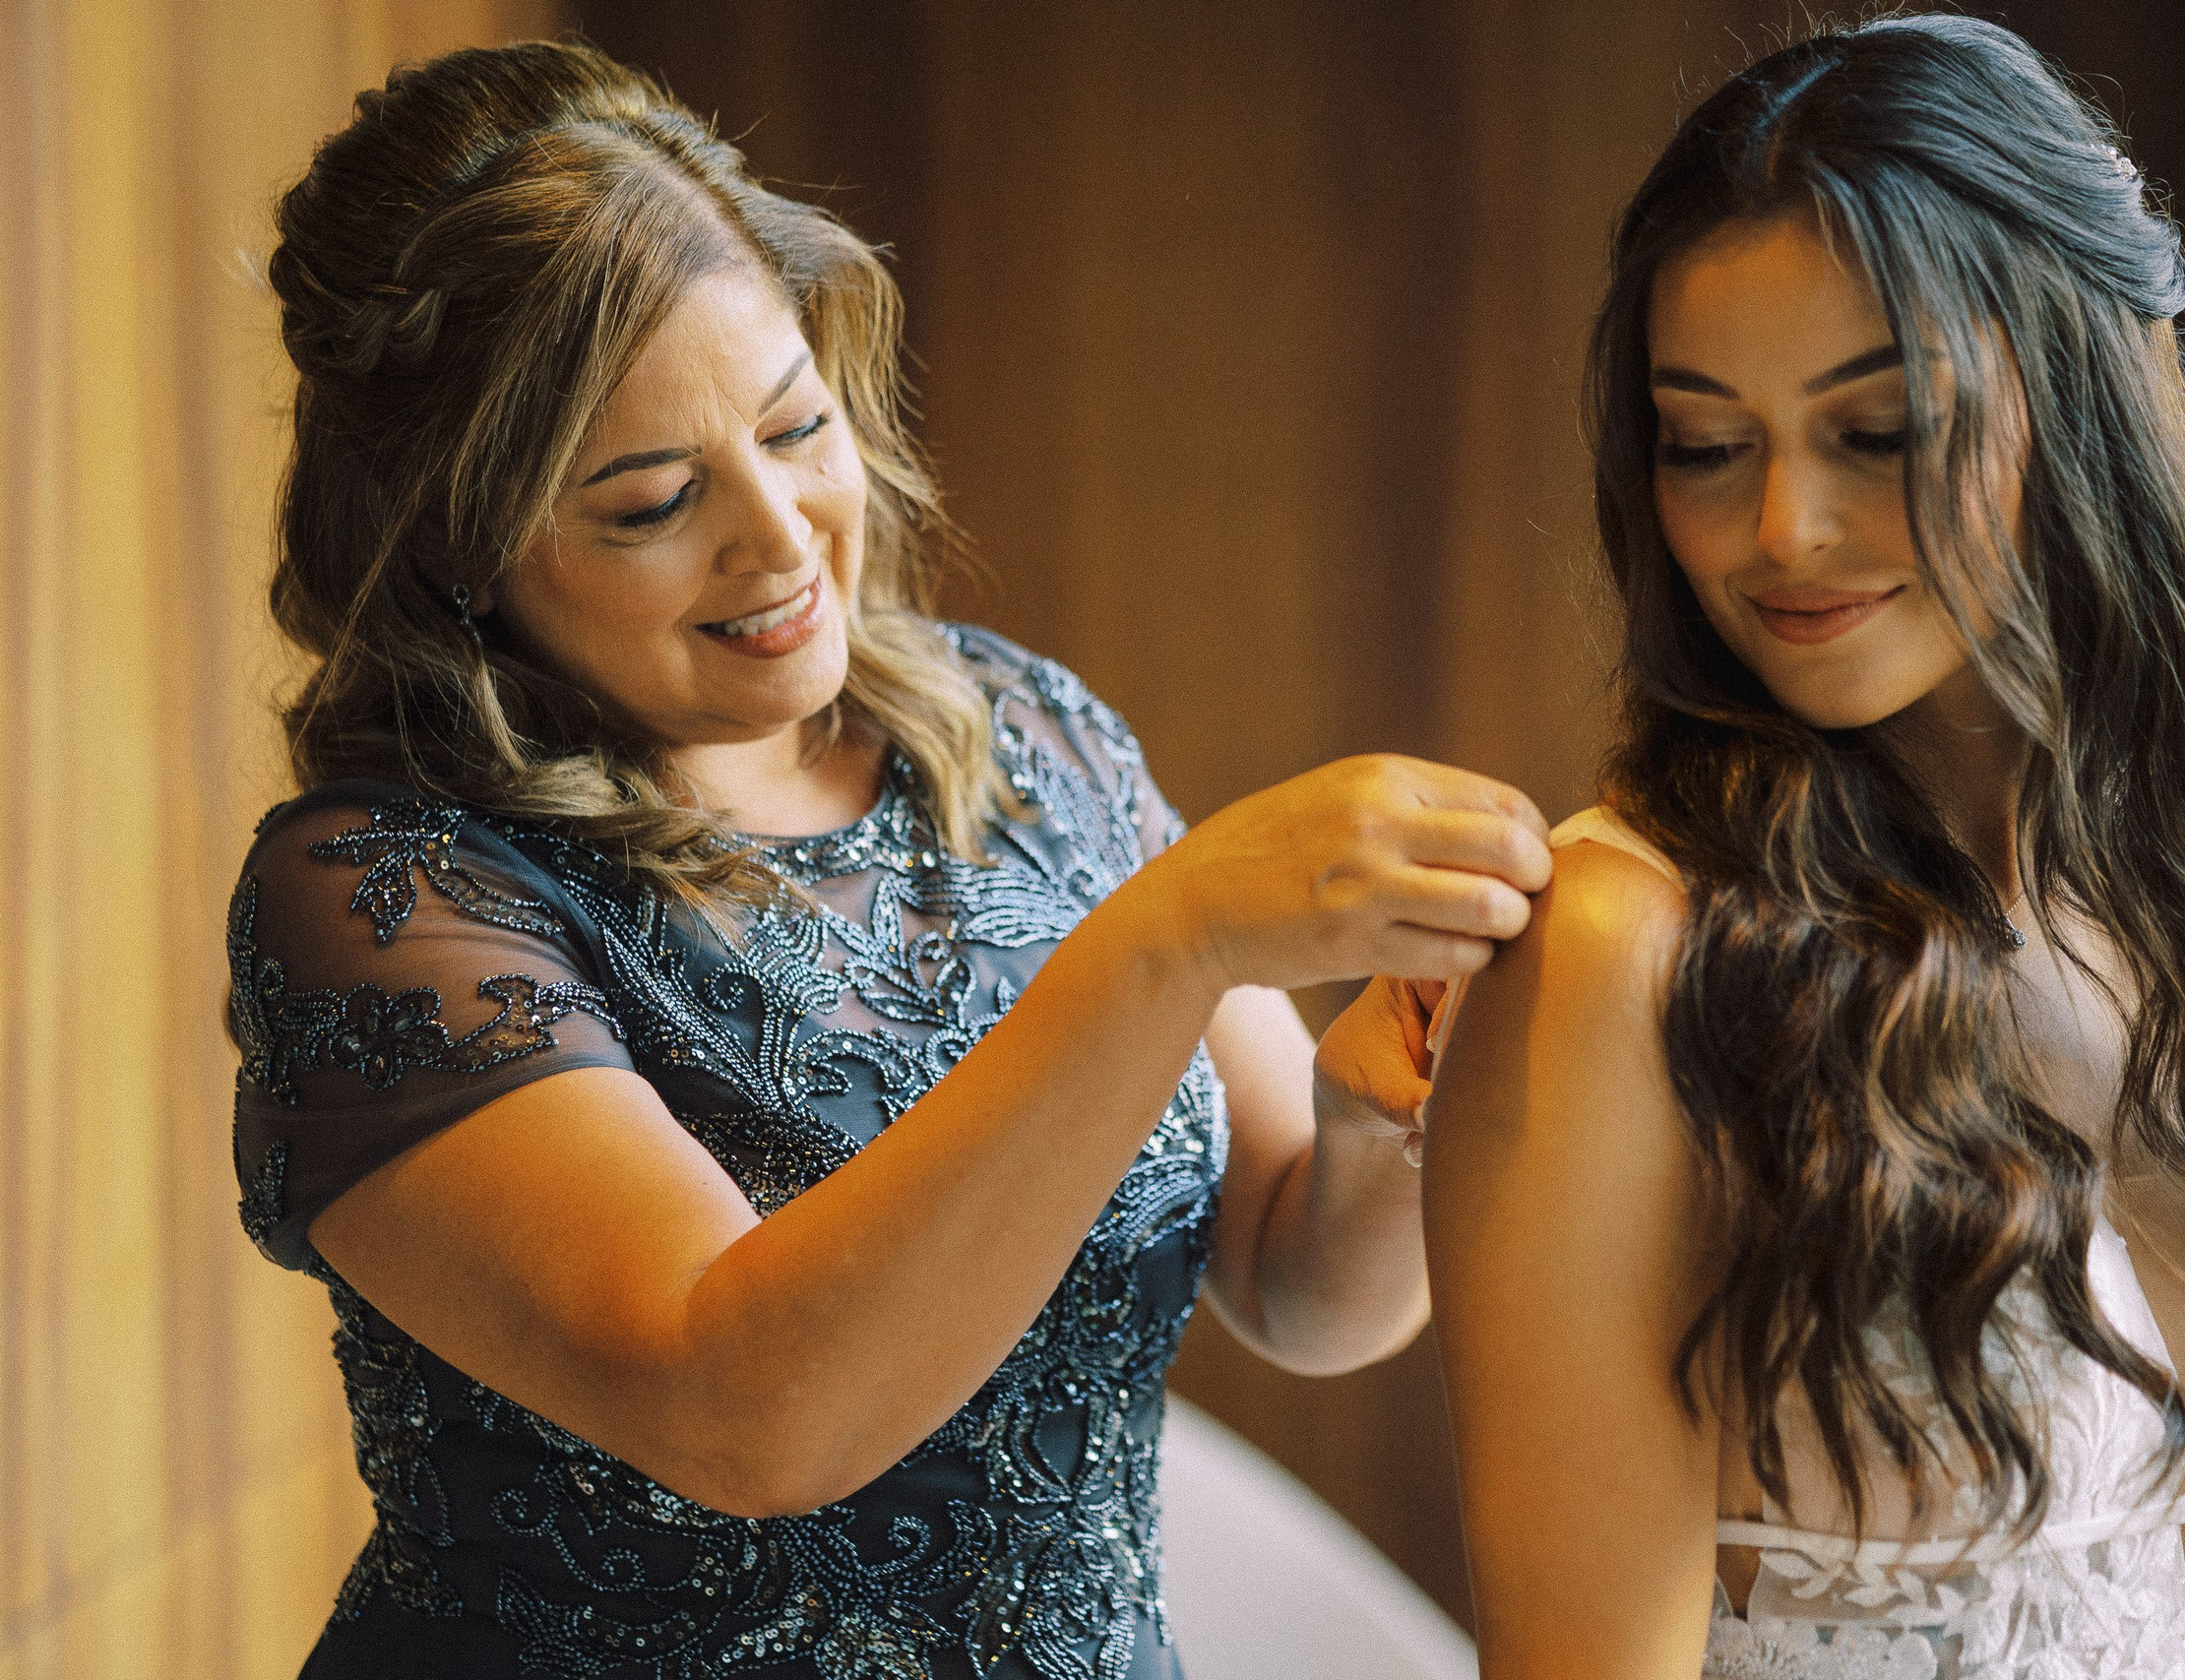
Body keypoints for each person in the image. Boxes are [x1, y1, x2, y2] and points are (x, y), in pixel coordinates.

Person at [228, 41, 1548, 1680]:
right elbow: (748, 1415)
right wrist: (1166, 940)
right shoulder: (391, 894)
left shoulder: (1016, 733)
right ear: (452, 543)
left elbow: (1299, 1287)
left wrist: (1377, 1122)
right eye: (651, 502)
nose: (780, 537)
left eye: (798, 425)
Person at [1422, 16, 2185, 1680]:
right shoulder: (1629, 949)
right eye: (1704, 444)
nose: (1781, 531)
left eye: (1880, 429)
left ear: (2081, 395)